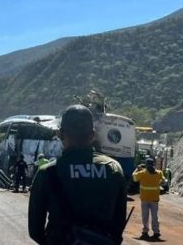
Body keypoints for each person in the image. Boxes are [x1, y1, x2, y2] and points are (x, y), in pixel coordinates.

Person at [28, 105, 127, 245]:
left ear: (61, 134)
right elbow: (119, 222)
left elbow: (35, 230)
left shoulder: (48, 172)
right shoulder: (113, 169)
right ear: (92, 135)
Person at [133, 158, 164, 240]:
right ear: (153, 164)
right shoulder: (158, 173)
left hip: (145, 199)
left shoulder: (142, 173)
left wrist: (137, 168)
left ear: (146, 165)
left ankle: (145, 232)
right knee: (155, 216)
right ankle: (156, 232)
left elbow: (134, 178)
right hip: (154, 199)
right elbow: (164, 181)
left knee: (145, 216)